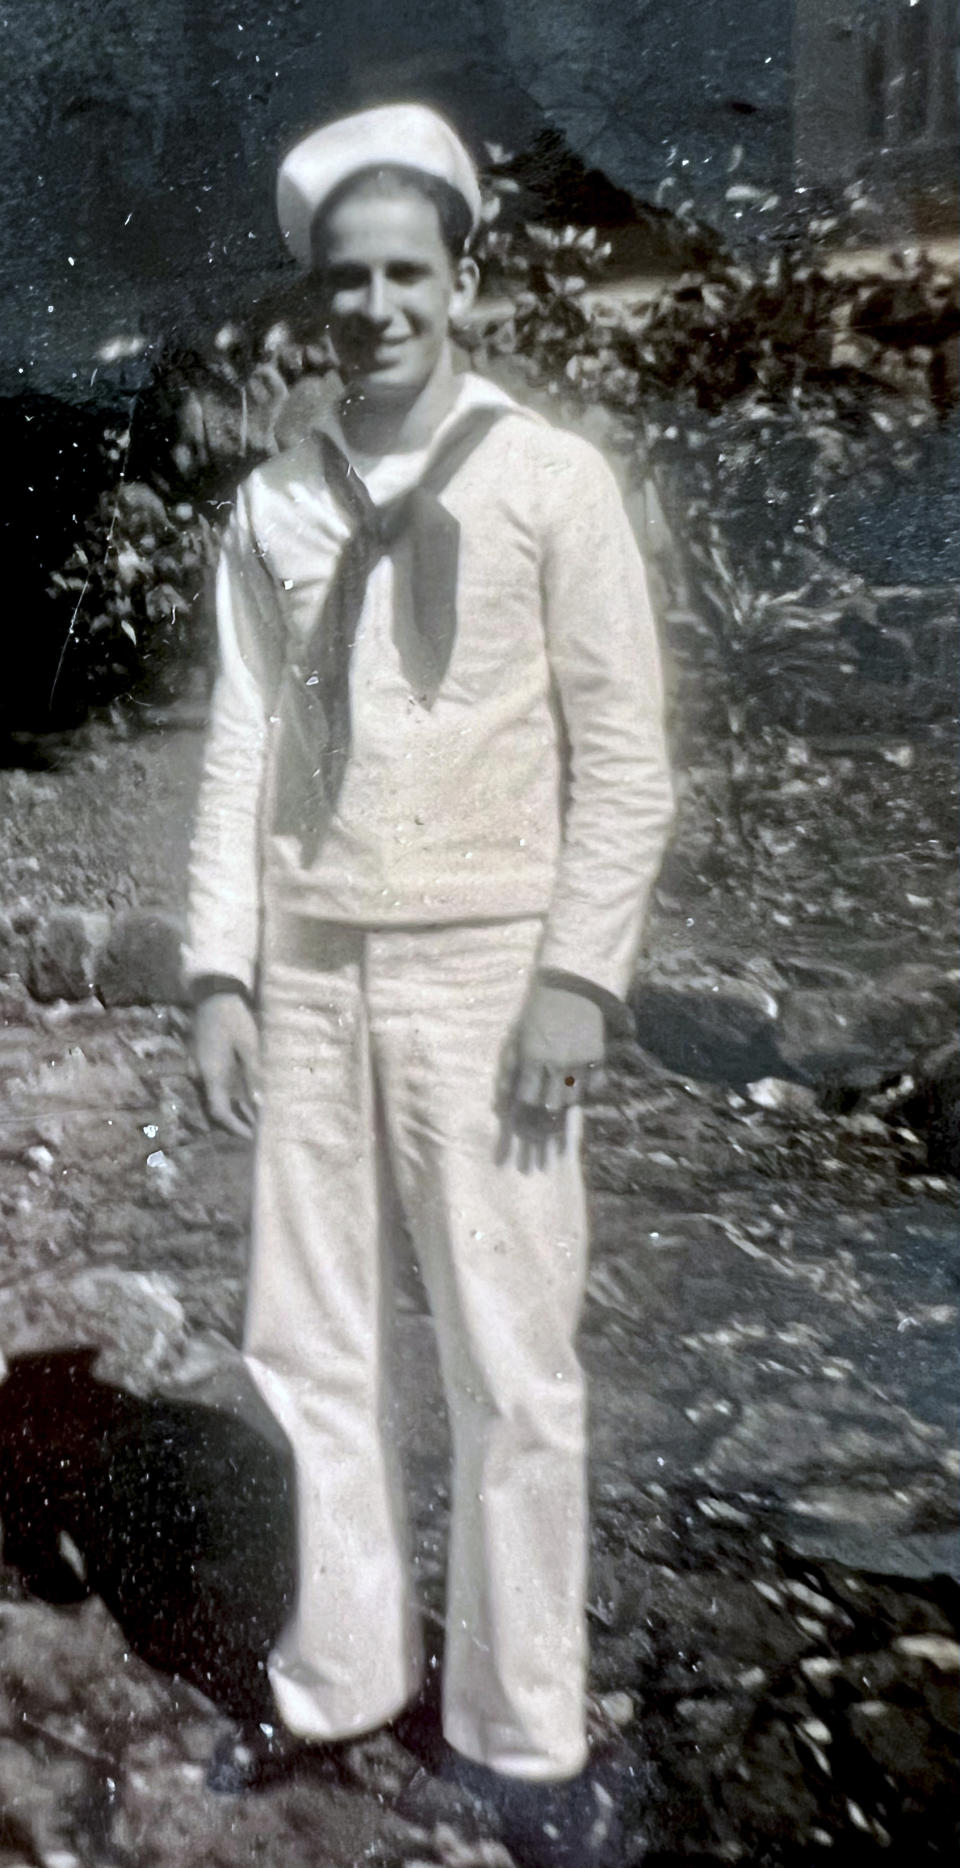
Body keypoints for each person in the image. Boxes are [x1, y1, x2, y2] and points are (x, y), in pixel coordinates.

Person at [184, 101, 674, 1865]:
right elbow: (242, 745)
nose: (377, 306)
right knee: (312, 1344)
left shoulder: (551, 480)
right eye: (346, 280)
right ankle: (334, 1681)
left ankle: (526, 1740)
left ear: (461, 281)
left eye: (409, 272)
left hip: (489, 984)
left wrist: (580, 979)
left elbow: (626, 761)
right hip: (311, 974)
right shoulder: (273, 500)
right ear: (314, 303)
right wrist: (220, 972)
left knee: (507, 1354)